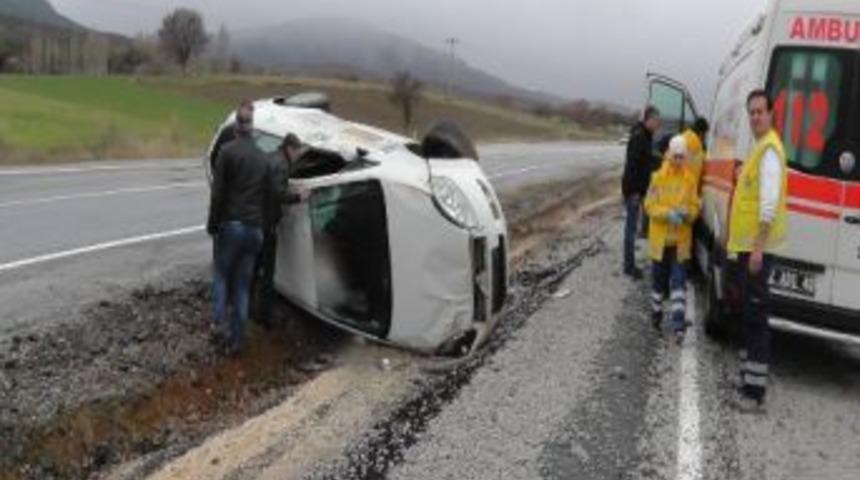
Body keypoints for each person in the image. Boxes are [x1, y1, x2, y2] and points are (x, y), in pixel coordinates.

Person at [729, 89, 788, 412]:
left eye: (760, 111)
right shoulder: (759, 149)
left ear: (771, 114)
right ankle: (747, 379)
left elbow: (767, 207)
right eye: (750, 112)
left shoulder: (768, 151)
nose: (755, 117)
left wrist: (757, 250)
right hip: (748, 248)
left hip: (756, 251)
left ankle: (754, 394)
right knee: (749, 315)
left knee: (756, 318)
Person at [207, 100, 272, 355]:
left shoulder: (227, 152)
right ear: (252, 128)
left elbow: (218, 193)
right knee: (243, 287)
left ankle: (220, 322)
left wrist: (213, 224)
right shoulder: (263, 159)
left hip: (232, 226)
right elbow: (268, 199)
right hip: (255, 231)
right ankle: (237, 342)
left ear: (236, 126)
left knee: (222, 275)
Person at [644, 135, 700, 345]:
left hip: (680, 243)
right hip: (660, 242)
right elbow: (649, 206)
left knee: (678, 283)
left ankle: (678, 326)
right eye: (675, 156)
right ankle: (656, 315)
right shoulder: (657, 177)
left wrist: (689, 214)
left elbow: (695, 206)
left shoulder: (690, 179)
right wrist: (668, 214)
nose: (678, 160)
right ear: (669, 154)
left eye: (682, 157)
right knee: (659, 283)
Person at [255, 133, 307, 327]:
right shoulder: (282, 164)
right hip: (266, 225)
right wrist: (299, 197)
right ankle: (265, 316)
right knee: (268, 272)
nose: (297, 157)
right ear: (290, 149)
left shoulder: (271, 157)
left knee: (254, 268)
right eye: (297, 152)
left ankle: (248, 309)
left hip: (256, 220)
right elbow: (277, 193)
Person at [622, 106, 662, 279]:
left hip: (638, 190)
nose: (658, 124)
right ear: (649, 119)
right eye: (656, 120)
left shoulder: (645, 136)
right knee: (630, 229)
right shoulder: (639, 137)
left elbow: (647, 161)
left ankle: (630, 263)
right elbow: (633, 166)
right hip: (634, 191)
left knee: (633, 227)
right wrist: (634, 192)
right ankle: (629, 266)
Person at [681, 117, 710, 187]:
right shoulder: (696, 143)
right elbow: (699, 164)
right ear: (701, 133)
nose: (705, 137)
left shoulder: (684, 136)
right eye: (705, 134)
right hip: (687, 183)